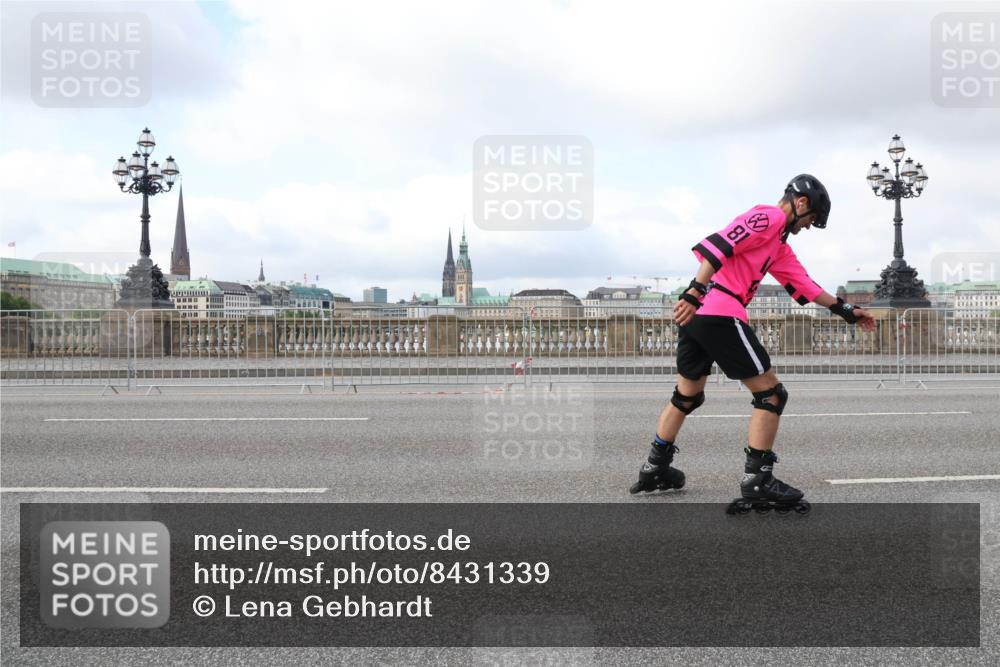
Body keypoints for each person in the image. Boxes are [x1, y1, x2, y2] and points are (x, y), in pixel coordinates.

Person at [628, 174, 877, 512]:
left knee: (686, 397)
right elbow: (720, 244)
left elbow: (804, 283)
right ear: (801, 203)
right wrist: (695, 289)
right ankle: (757, 479)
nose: (809, 226)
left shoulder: (778, 245)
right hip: (718, 310)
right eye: (813, 219)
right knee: (772, 394)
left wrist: (846, 310)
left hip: (698, 317)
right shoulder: (769, 217)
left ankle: (655, 467)